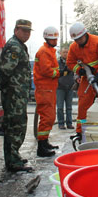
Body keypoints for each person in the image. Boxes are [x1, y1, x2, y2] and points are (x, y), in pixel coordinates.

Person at [67, 22, 98, 136]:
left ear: (85, 34)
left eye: (79, 38)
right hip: (87, 76)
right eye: (76, 40)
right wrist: (80, 70)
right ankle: (80, 131)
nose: (78, 41)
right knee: (83, 103)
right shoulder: (74, 47)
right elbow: (70, 62)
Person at [0, 19, 33, 173]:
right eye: (23, 30)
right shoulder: (14, 46)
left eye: (28, 31)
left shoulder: (19, 45)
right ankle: (13, 161)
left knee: (17, 124)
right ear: (16, 29)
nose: (26, 34)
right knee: (15, 125)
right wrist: (9, 89)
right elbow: (6, 70)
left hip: (18, 93)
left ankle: (14, 156)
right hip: (14, 94)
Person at [33, 26, 60, 157]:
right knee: (47, 117)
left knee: (49, 117)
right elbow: (47, 71)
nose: (56, 41)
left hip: (48, 88)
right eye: (54, 39)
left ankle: (45, 141)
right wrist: (59, 72)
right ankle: (41, 147)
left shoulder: (48, 51)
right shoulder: (44, 51)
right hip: (45, 89)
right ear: (48, 39)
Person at [57, 46, 74, 130]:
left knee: (69, 107)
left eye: (67, 52)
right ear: (60, 53)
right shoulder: (57, 63)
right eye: (64, 52)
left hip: (70, 88)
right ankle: (61, 123)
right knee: (60, 107)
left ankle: (69, 123)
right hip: (60, 88)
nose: (66, 54)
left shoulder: (71, 63)